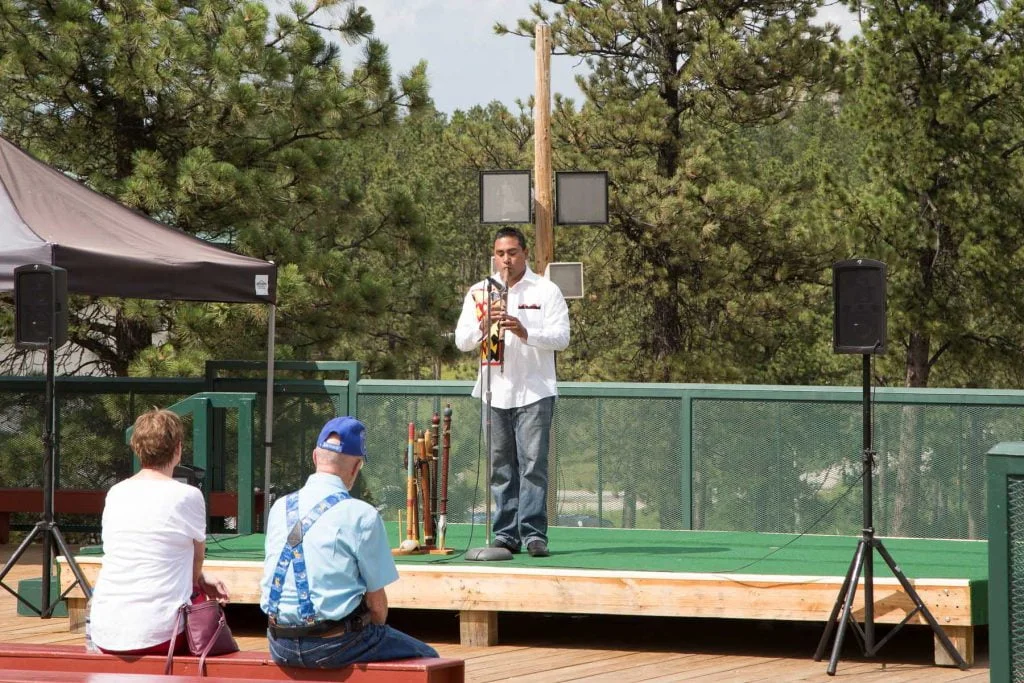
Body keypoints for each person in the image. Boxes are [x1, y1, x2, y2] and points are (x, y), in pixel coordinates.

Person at [260, 416, 438, 668]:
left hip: (279, 644)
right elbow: (377, 609)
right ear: (356, 467)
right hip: (335, 644)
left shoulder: (280, 507)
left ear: (314, 457)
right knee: (429, 658)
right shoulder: (361, 514)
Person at [455, 227, 570, 557]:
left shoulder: (546, 290)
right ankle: (505, 534)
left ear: (525, 253)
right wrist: (482, 325)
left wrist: (525, 331)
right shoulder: (480, 291)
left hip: (534, 390)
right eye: (500, 253)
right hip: (494, 391)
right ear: (494, 255)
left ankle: (534, 534)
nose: (506, 259)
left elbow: (562, 337)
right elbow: (461, 342)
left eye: (513, 253)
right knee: (500, 466)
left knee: (533, 466)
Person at [89, 408, 230, 655]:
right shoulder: (188, 495)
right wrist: (199, 578)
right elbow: (196, 560)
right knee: (204, 613)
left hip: (104, 629)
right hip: (160, 634)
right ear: (178, 449)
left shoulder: (116, 492)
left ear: (137, 448)